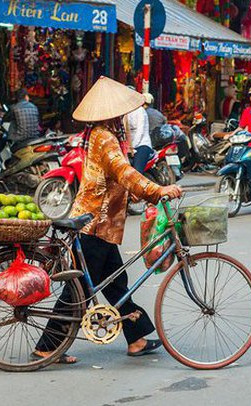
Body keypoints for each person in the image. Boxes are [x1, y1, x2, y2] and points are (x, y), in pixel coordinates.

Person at [33, 77, 182, 364]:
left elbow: (113, 180)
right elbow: (124, 173)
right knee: (80, 291)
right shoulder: (104, 137)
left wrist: (138, 197)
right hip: (95, 223)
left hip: (101, 222)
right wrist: (157, 190)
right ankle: (47, 347)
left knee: (116, 283)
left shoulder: (104, 135)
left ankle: (137, 339)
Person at [124, 91, 153, 174]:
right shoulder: (126, 112)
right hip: (129, 146)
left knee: (137, 173)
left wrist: (132, 147)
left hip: (141, 145)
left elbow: (140, 132)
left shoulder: (140, 111)